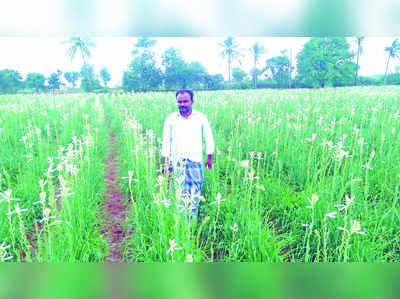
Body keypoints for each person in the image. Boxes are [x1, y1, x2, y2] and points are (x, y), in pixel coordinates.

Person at [161, 89, 214, 219]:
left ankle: (191, 225)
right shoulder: (171, 119)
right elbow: (166, 141)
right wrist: (167, 162)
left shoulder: (201, 118)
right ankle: (181, 224)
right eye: (179, 102)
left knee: (194, 194)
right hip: (177, 162)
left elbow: (208, 137)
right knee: (180, 195)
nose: (182, 104)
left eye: (185, 101)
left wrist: (209, 157)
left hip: (195, 161)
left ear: (192, 102)